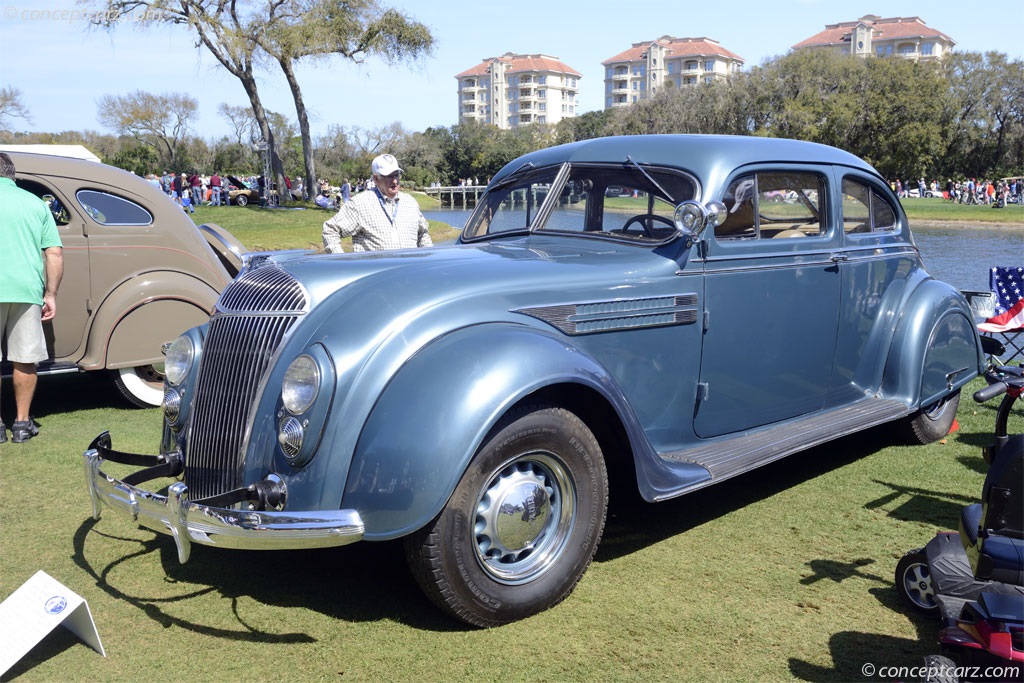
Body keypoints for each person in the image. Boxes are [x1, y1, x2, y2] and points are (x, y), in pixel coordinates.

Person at [0, 153, 64, 444]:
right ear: (11, 174)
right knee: (25, 360)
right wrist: (50, 294)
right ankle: (22, 424)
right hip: (26, 289)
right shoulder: (35, 204)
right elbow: (54, 253)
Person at [322, 154, 432, 253]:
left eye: (396, 175)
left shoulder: (410, 202)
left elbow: (423, 235)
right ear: (376, 178)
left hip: (410, 273)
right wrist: (342, 262)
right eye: (389, 176)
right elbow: (330, 230)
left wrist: (428, 262)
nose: (394, 181)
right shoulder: (360, 203)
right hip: (376, 274)